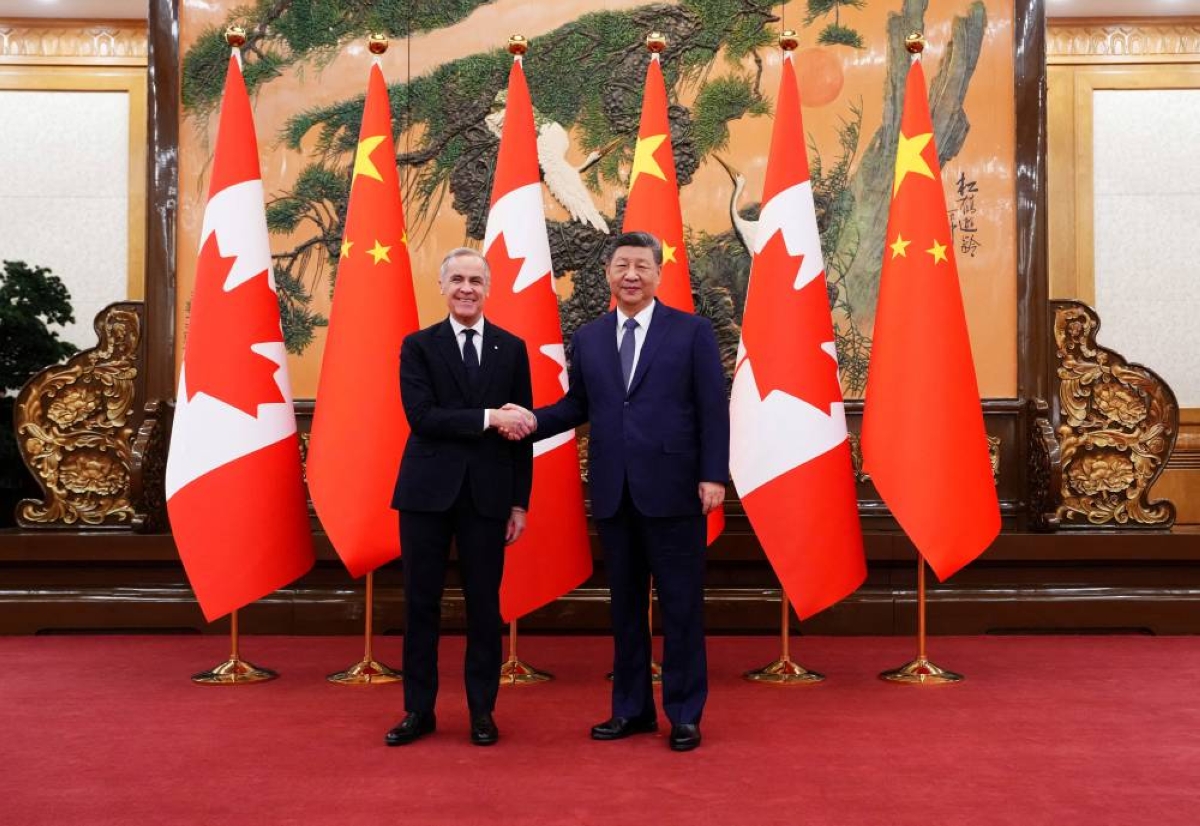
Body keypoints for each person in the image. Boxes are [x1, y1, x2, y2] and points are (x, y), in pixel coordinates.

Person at [502, 231, 729, 752]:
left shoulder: (691, 331)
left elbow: (713, 408)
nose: (631, 274)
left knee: (680, 608)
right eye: (622, 265)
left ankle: (684, 713)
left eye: (641, 266)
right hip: (614, 493)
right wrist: (530, 419)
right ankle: (631, 711)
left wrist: (714, 475)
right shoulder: (590, 337)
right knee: (625, 610)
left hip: (677, 493)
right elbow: (577, 404)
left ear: (658, 273)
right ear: (608, 273)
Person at [386, 247, 535, 747]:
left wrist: (520, 503)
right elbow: (422, 417)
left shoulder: (512, 349)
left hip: (489, 498)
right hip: (426, 495)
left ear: (488, 287)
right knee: (420, 605)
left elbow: (522, 435)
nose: (467, 288)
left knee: (484, 608)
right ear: (442, 287)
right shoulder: (418, 346)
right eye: (457, 280)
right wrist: (489, 417)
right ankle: (418, 710)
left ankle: (482, 712)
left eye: (475, 280)